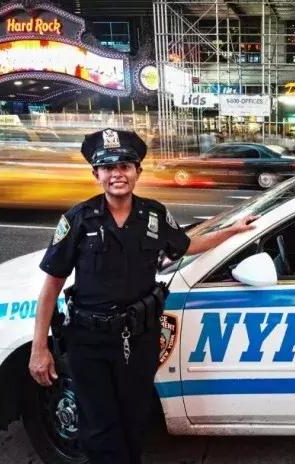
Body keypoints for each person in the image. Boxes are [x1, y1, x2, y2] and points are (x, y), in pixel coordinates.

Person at [28, 128, 257, 464]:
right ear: (96, 175)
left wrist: (234, 230)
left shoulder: (153, 215)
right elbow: (51, 286)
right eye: (108, 168)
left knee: (134, 421)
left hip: (138, 339)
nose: (117, 174)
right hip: (88, 342)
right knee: (98, 427)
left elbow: (187, 245)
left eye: (125, 166)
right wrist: (39, 347)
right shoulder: (78, 219)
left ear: (137, 172)